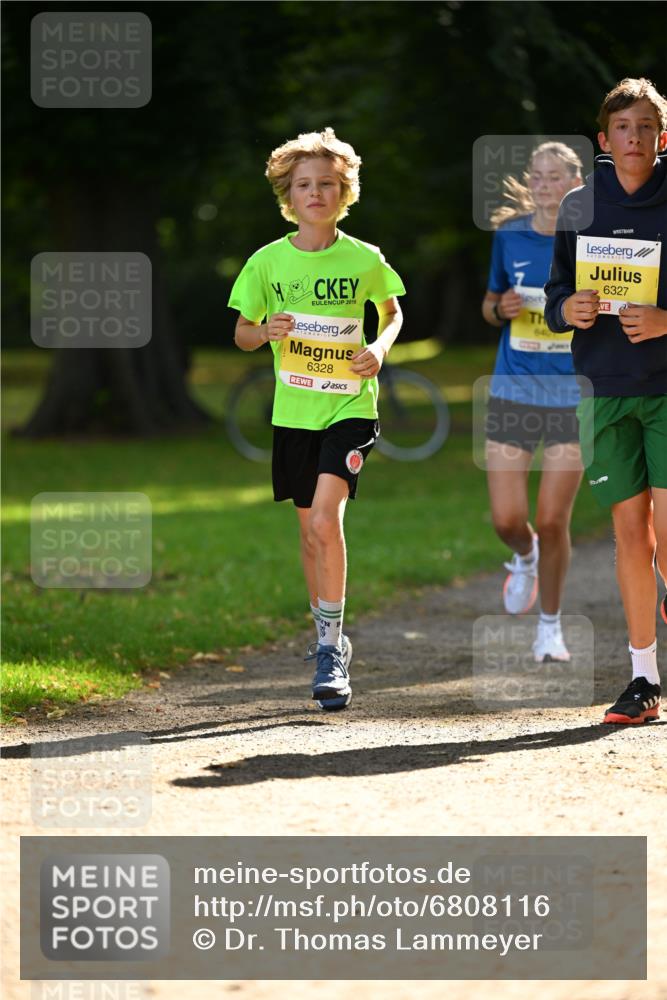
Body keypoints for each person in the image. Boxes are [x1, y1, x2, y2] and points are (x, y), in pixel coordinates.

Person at [228, 127, 405, 710]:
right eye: (304, 185)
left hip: (350, 407)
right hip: (294, 412)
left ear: (343, 192)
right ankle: (328, 637)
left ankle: (331, 654)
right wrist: (264, 330)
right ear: (288, 195)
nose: (316, 193)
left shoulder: (363, 258)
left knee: (327, 520)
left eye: (327, 184)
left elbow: (392, 313)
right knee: (309, 531)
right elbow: (241, 336)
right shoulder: (266, 262)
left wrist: (378, 351)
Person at [544, 77, 667, 724]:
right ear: (603, 139)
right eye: (622, 127)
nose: (634, 138)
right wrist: (568, 305)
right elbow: (553, 298)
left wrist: (665, 320)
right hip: (604, 390)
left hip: (666, 391)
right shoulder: (575, 207)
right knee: (629, 533)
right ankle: (643, 680)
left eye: (645, 126)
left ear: (661, 137)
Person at [481, 142, 584, 662]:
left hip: (573, 395)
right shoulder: (510, 236)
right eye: (537, 177)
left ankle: (550, 625)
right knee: (507, 520)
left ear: (575, 184)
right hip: (514, 389)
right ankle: (523, 558)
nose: (544, 185)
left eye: (555, 177)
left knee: (551, 519)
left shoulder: (591, 241)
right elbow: (490, 303)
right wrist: (500, 306)